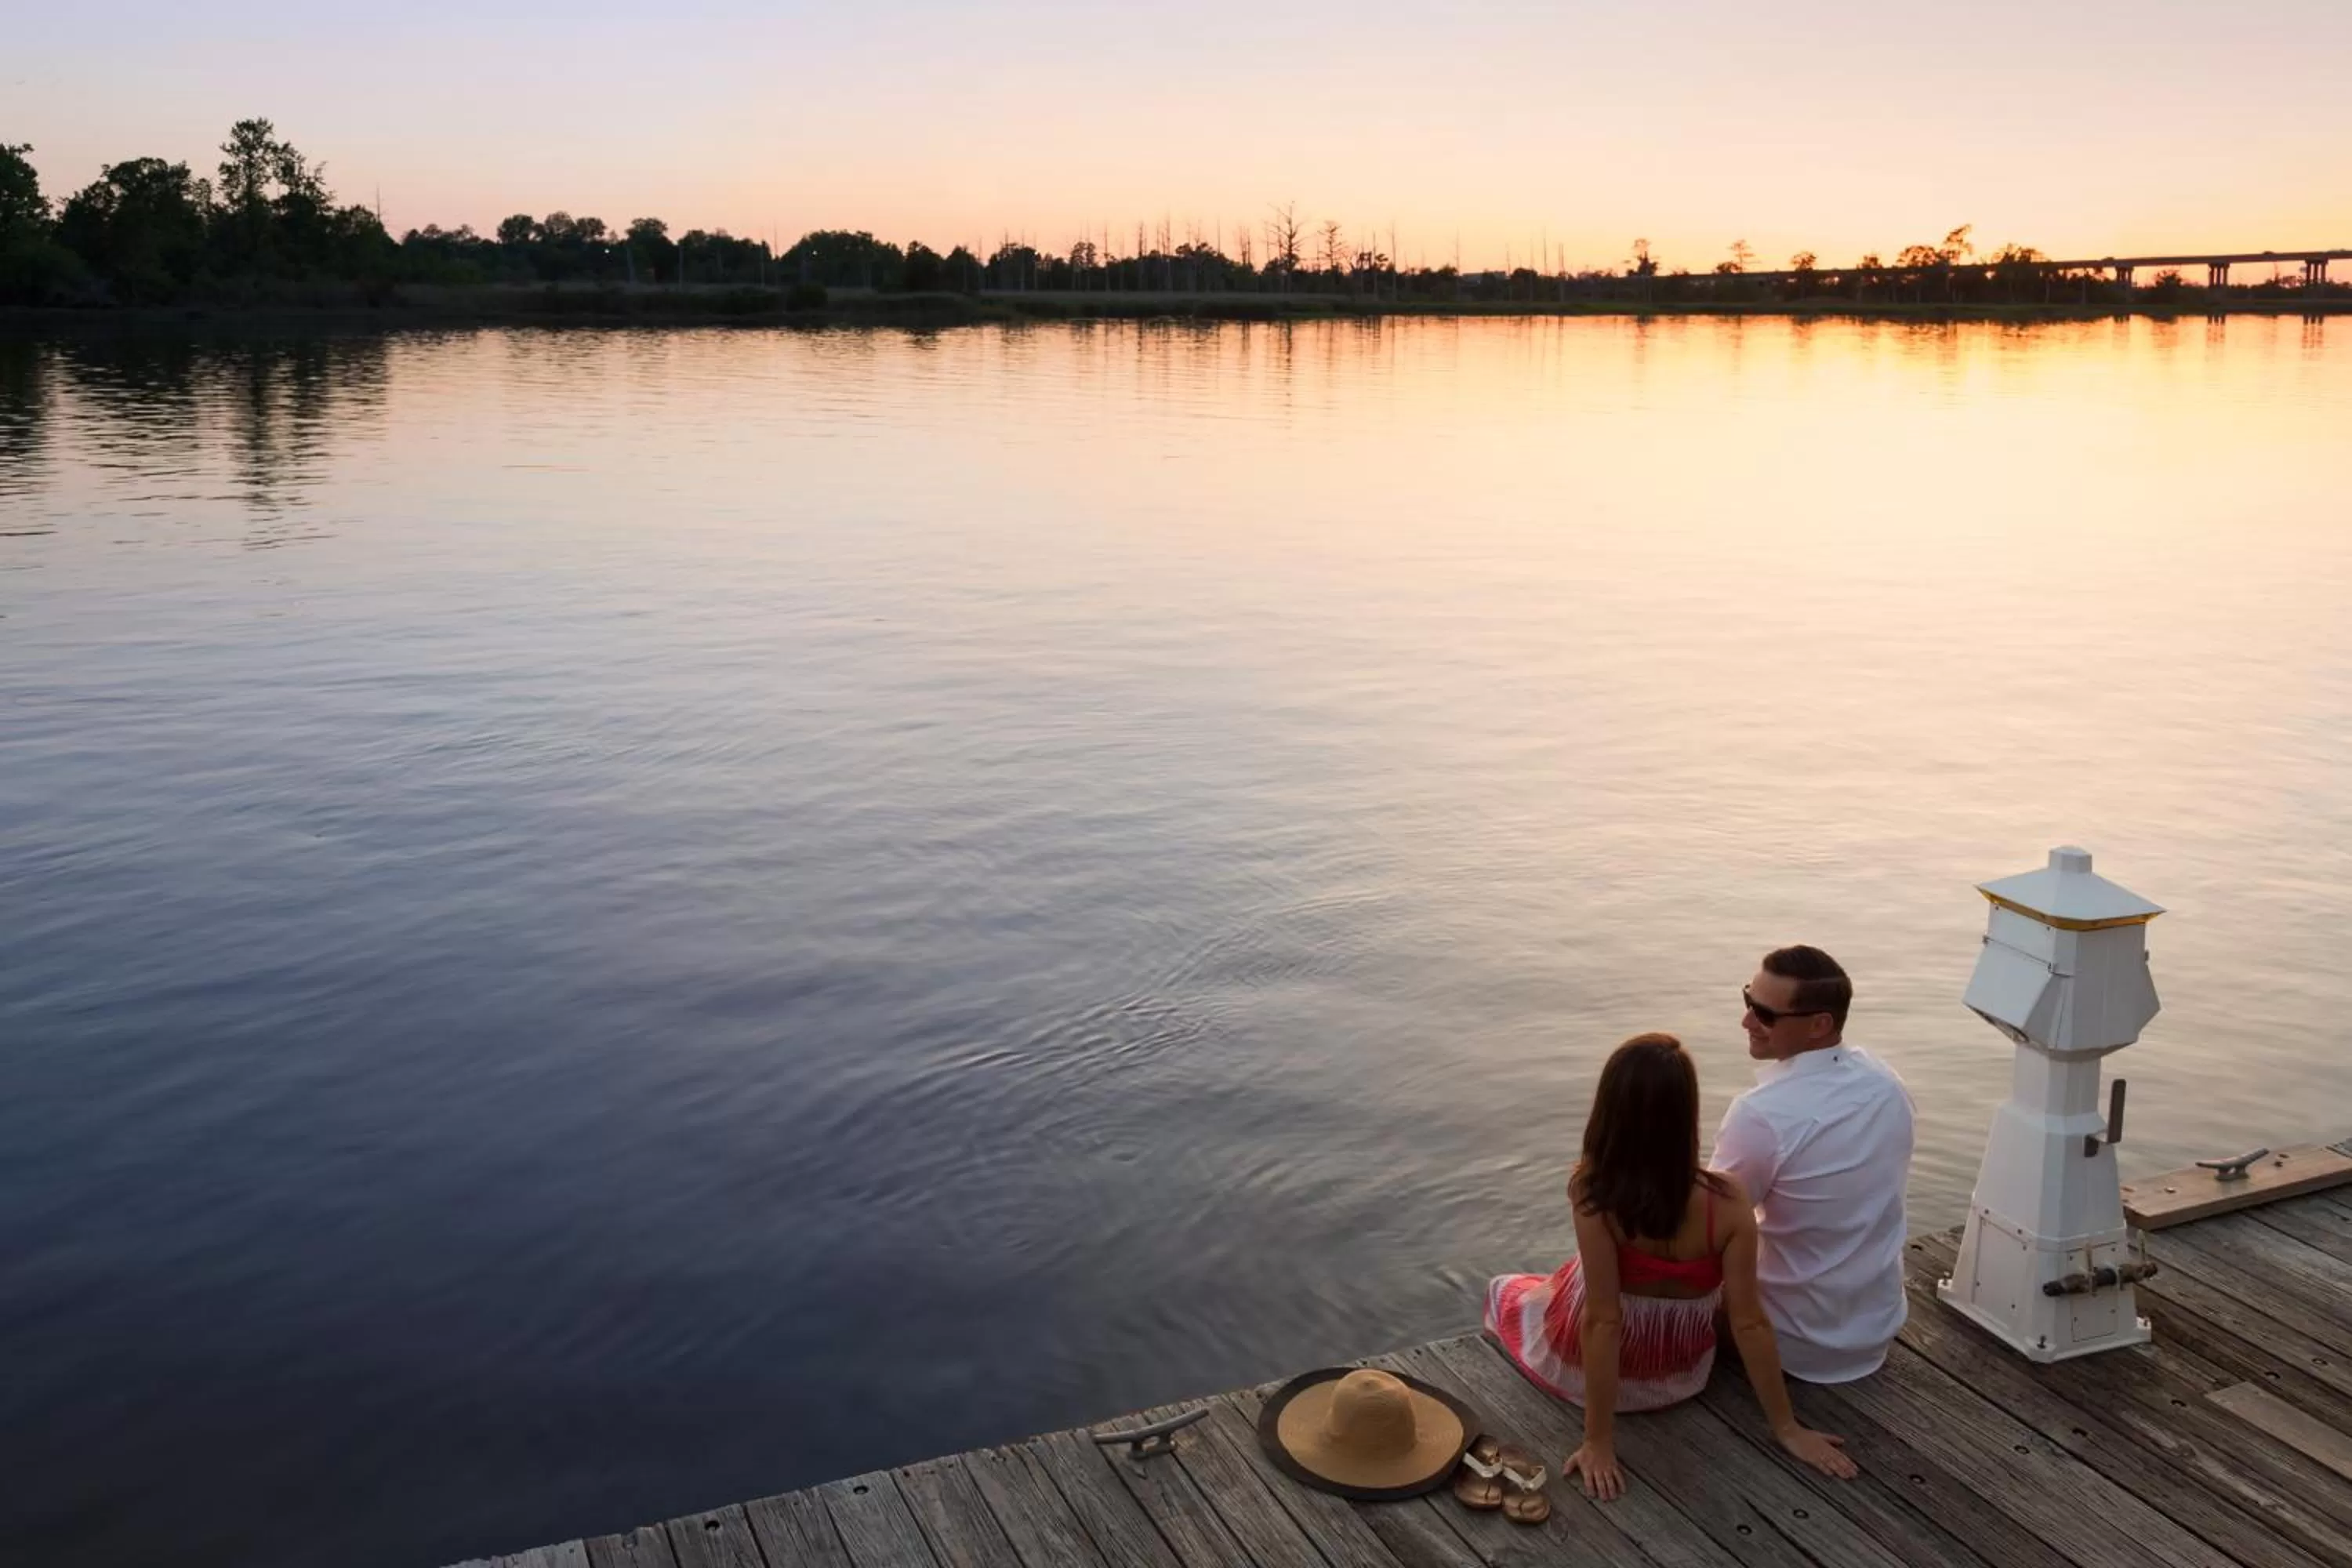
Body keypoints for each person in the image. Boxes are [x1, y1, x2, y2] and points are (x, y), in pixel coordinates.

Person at [1485, 1033, 1857, 1499]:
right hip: (1677, 1376)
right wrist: (1787, 1427)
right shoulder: (1728, 1200)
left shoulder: (1592, 1191)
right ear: (1686, 1114)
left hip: (1590, 1372)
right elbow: (1750, 1323)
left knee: (1507, 1290)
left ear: (1608, 1112)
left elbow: (1603, 1319)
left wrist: (1597, 1440)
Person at [1711, 946, 1915, 1385]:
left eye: (1764, 1013)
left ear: (1820, 1025)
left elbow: (1708, 1226)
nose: (1746, 1021)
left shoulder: (1762, 1113)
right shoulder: (1886, 1083)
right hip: (1875, 1330)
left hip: (1790, 1342)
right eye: (1748, 1000)